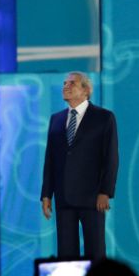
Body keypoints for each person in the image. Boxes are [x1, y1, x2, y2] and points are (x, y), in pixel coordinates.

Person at [40, 72, 118, 260]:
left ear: (86, 90)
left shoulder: (103, 117)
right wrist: (46, 194)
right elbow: (50, 158)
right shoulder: (56, 119)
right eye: (64, 83)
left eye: (72, 83)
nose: (65, 86)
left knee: (96, 251)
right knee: (66, 255)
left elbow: (111, 157)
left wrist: (105, 192)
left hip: (92, 197)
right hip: (63, 197)